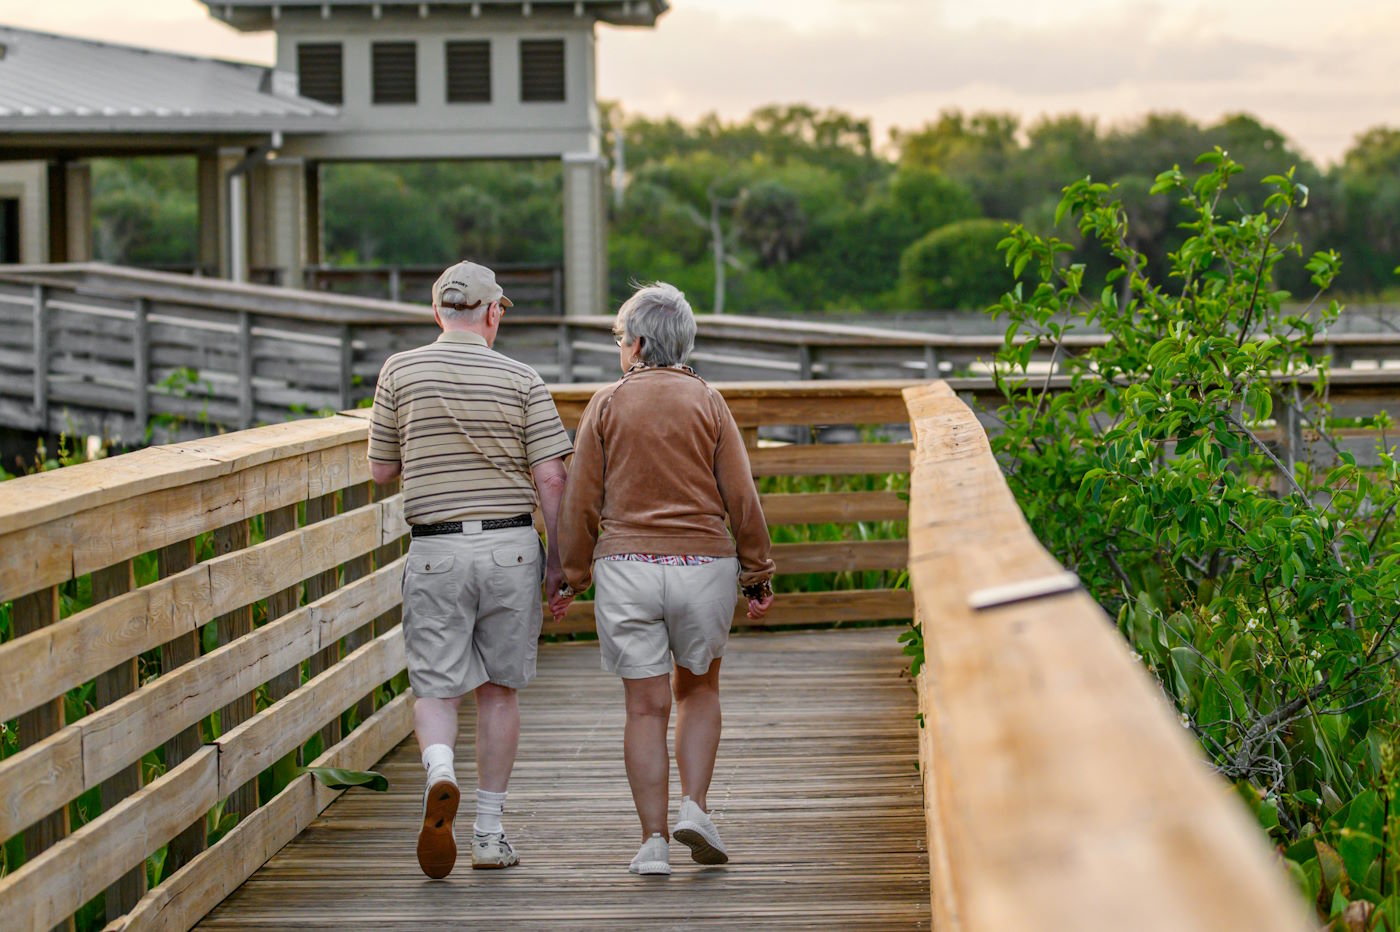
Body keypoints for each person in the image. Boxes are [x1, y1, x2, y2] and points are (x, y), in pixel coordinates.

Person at [553, 283, 776, 876]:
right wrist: (756, 572)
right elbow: (741, 496)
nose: (620, 349)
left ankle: (653, 842)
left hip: (626, 569)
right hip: (702, 567)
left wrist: (571, 576)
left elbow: (581, 501)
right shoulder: (709, 401)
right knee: (698, 690)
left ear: (639, 344)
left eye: (622, 339)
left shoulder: (605, 404)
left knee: (645, 709)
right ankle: (695, 809)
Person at [368, 260, 572, 878]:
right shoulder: (523, 378)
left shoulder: (399, 371)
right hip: (510, 547)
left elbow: (380, 471)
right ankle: (488, 832)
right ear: (491, 313)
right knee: (498, 690)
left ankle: (439, 769)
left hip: (436, 549)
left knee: (435, 684)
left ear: (437, 313)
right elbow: (552, 477)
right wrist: (559, 563)